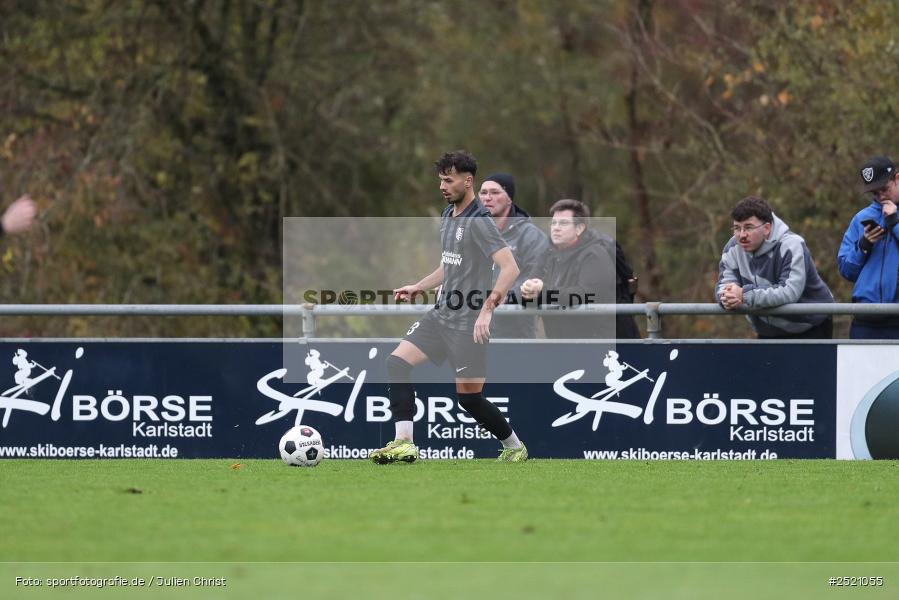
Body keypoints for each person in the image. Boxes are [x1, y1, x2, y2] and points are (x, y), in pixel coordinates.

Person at [370, 151, 528, 464]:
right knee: (397, 363)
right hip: (441, 315)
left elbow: (510, 268)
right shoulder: (447, 215)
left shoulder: (480, 222)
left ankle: (514, 447)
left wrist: (487, 311)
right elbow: (450, 264)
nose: (442, 186)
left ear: (468, 182)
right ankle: (404, 443)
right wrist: (419, 286)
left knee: (469, 399)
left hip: (468, 323)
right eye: (440, 179)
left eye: (448, 180)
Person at [717, 196, 834, 338]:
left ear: (766, 228)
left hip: (811, 327)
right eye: (737, 228)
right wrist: (726, 297)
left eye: (748, 227)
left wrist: (744, 294)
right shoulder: (732, 247)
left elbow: (789, 291)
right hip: (766, 331)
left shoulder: (792, 245)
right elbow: (724, 285)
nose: (742, 235)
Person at [519, 199, 618, 339]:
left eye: (563, 223)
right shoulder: (547, 254)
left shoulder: (595, 255)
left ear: (579, 228)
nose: (556, 227)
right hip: (559, 342)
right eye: (553, 223)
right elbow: (531, 292)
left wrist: (543, 291)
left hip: (595, 344)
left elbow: (585, 295)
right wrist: (527, 291)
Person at [478, 172, 550, 338]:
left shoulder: (531, 235)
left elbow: (534, 279)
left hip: (514, 329)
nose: (487, 198)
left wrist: (499, 299)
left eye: (495, 193)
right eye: (483, 193)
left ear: (509, 198)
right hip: (472, 328)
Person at [838, 156, 899, 339]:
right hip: (865, 319)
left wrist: (894, 223)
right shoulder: (860, 219)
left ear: (897, 180)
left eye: (884, 190)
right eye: (874, 193)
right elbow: (846, 270)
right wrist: (863, 246)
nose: (880, 197)